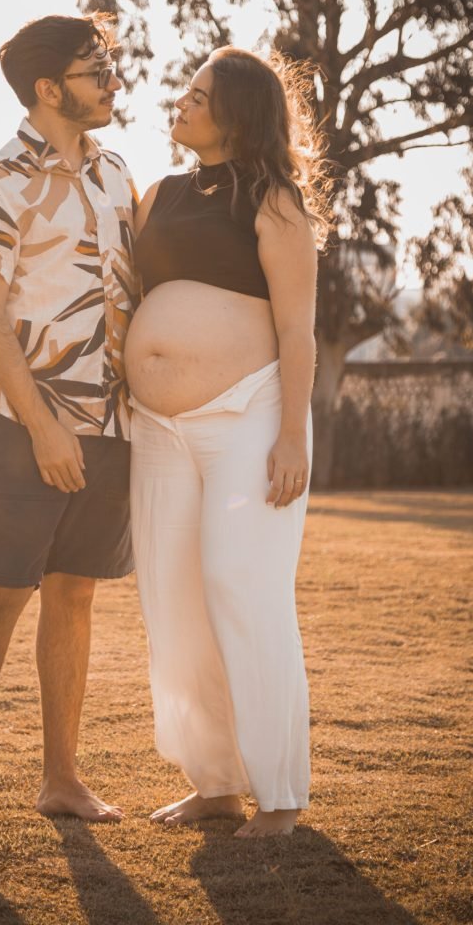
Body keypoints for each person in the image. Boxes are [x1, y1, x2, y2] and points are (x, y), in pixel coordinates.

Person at [0, 14, 137, 842]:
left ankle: (61, 780)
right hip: (22, 423)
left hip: (112, 423)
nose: (113, 81)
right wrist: (43, 427)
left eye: (109, 65)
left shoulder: (118, 174)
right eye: (96, 70)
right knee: (1, 591)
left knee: (75, 593)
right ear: (49, 88)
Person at [128, 46, 327, 838]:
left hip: (252, 413)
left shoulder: (274, 201)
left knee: (241, 588)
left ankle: (281, 796)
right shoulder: (160, 195)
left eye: (198, 95)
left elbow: (298, 331)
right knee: (173, 601)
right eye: (184, 91)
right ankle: (215, 785)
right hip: (158, 429)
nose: (179, 103)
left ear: (237, 113)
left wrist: (291, 437)